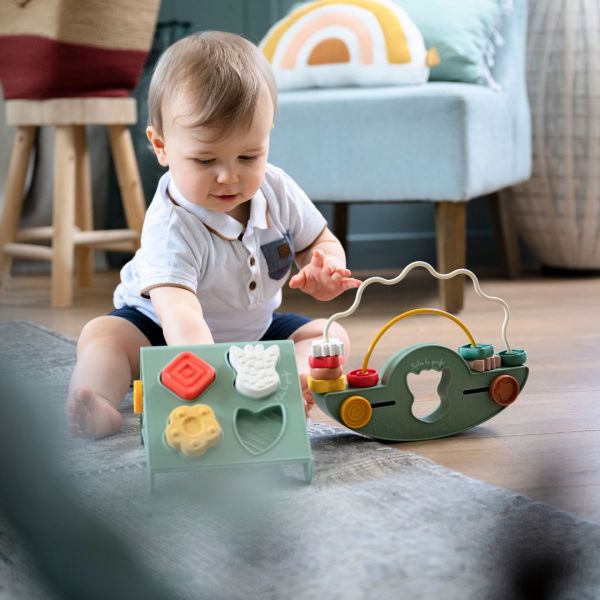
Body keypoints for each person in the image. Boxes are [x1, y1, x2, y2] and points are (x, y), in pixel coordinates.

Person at [67, 31, 360, 439]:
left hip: (252, 333)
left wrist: (325, 268)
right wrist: (208, 374)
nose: (228, 176)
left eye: (248, 156)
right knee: (104, 336)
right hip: (161, 333)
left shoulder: (277, 188)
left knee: (328, 336)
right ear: (162, 146)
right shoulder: (171, 223)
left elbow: (318, 240)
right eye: (205, 160)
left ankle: (287, 386)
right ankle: (98, 402)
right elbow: (180, 314)